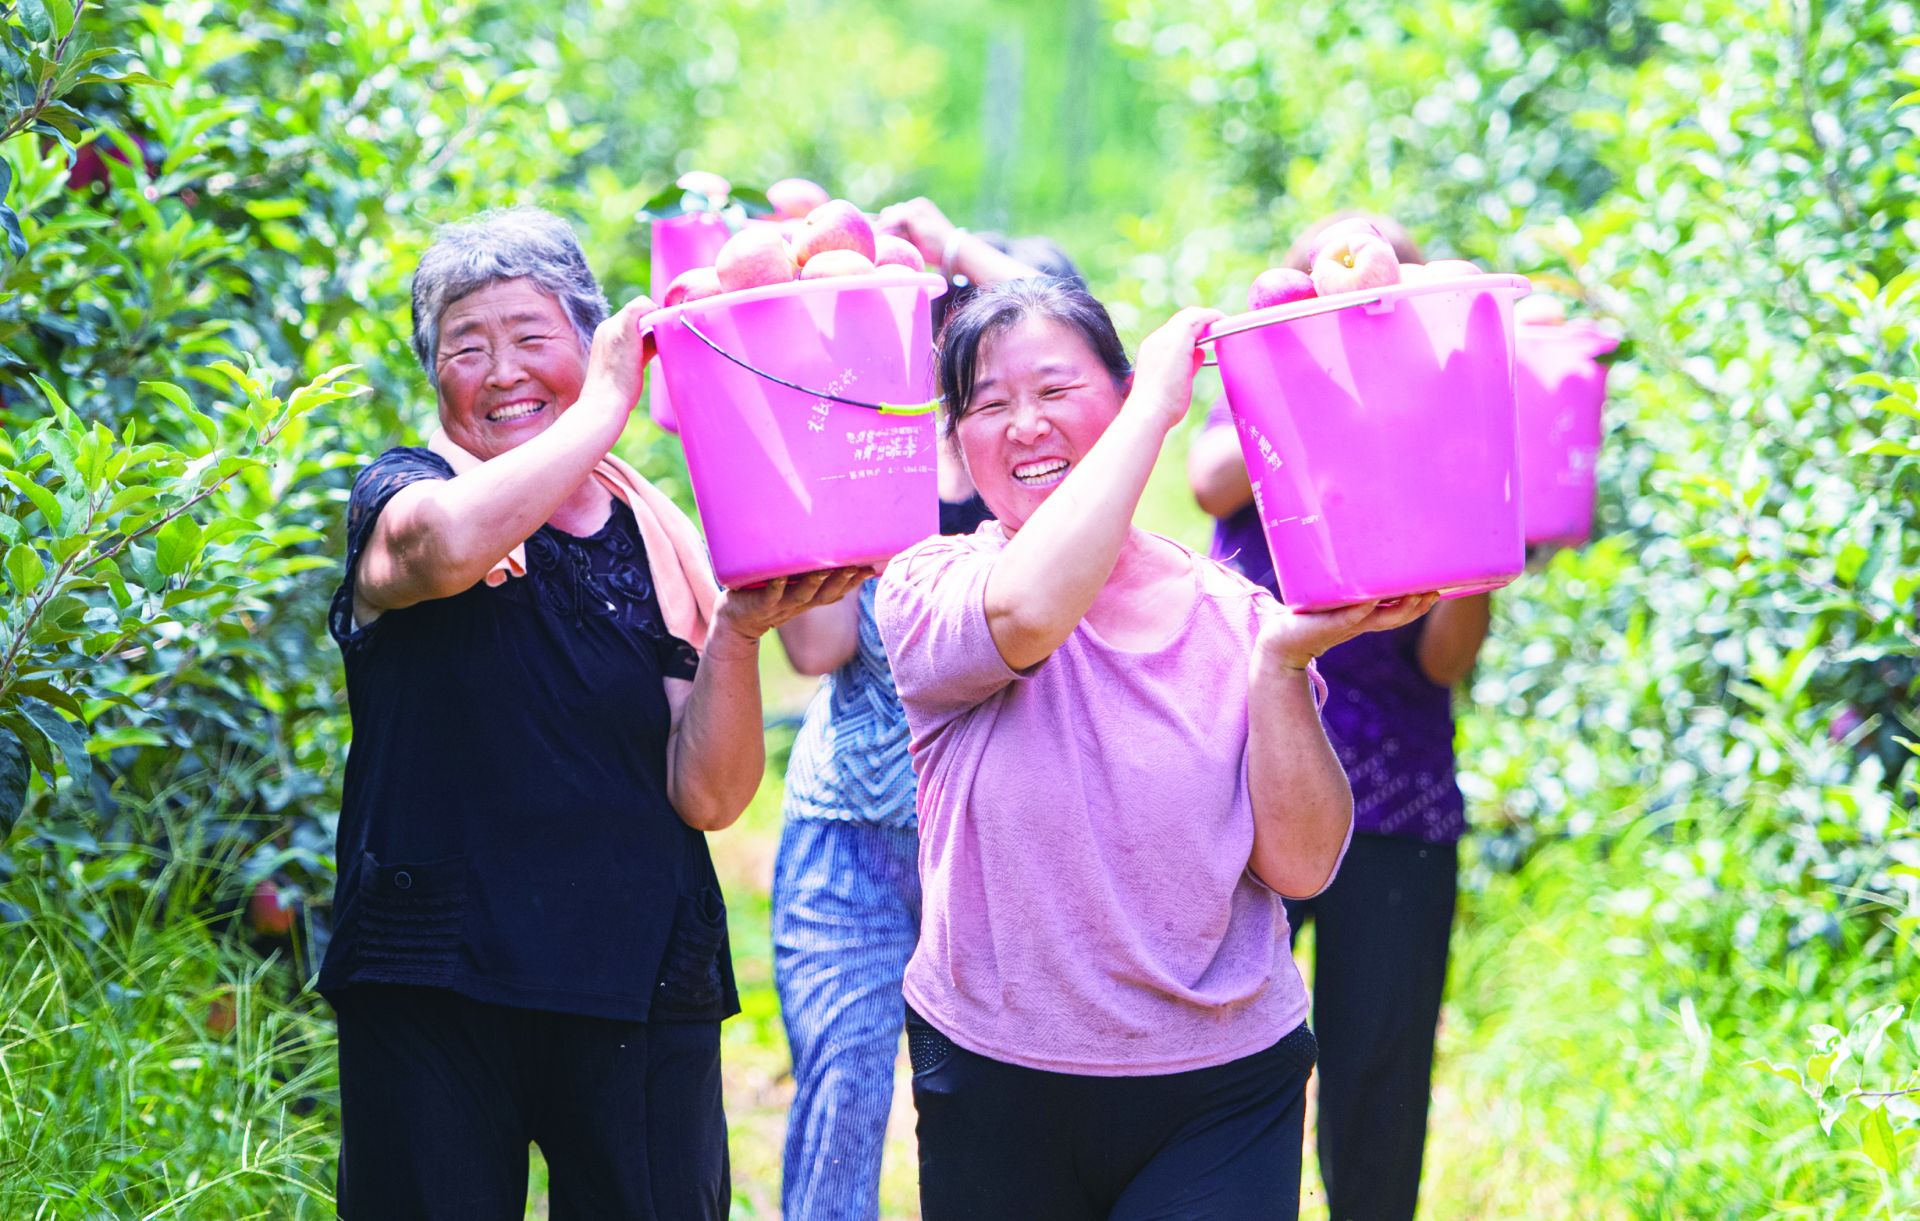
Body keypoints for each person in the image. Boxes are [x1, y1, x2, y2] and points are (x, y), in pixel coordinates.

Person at [318, 206, 863, 1219]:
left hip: (636, 978)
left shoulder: (654, 535)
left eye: (532, 338)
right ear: (433, 375)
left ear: (590, 337)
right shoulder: (407, 495)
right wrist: (604, 406)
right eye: (465, 347)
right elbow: (440, 553)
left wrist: (737, 637)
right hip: (437, 978)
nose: (504, 371)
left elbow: (709, 794)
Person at [874, 276, 1437, 1220]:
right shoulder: (932, 590)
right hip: (997, 1072)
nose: (1025, 426)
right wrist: (1156, 413)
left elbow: (1301, 866)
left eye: (1056, 391)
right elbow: (1028, 611)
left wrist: (1279, 667)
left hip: (1221, 1087)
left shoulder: (1239, 619)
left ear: (1122, 390)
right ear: (957, 451)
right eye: (989, 405)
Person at [768, 203, 1085, 1221]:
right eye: (938, 315)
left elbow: (1104, 371)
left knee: (998, 1123)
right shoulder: (869, 450)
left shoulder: (1054, 484)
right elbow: (817, 649)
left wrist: (957, 251)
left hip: (1002, 853)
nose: (951, 333)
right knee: (844, 1096)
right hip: (851, 835)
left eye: (976, 318)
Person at [1187, 212, 1492, 1221]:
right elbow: (1209, 477)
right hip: (1248, 783)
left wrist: (1472, 498)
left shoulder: (1448, 422)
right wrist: (1321, 374)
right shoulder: (1268, 382)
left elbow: (1448, 658)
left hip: (1395, 802)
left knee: (1379, 1072)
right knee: (1216, 1044)